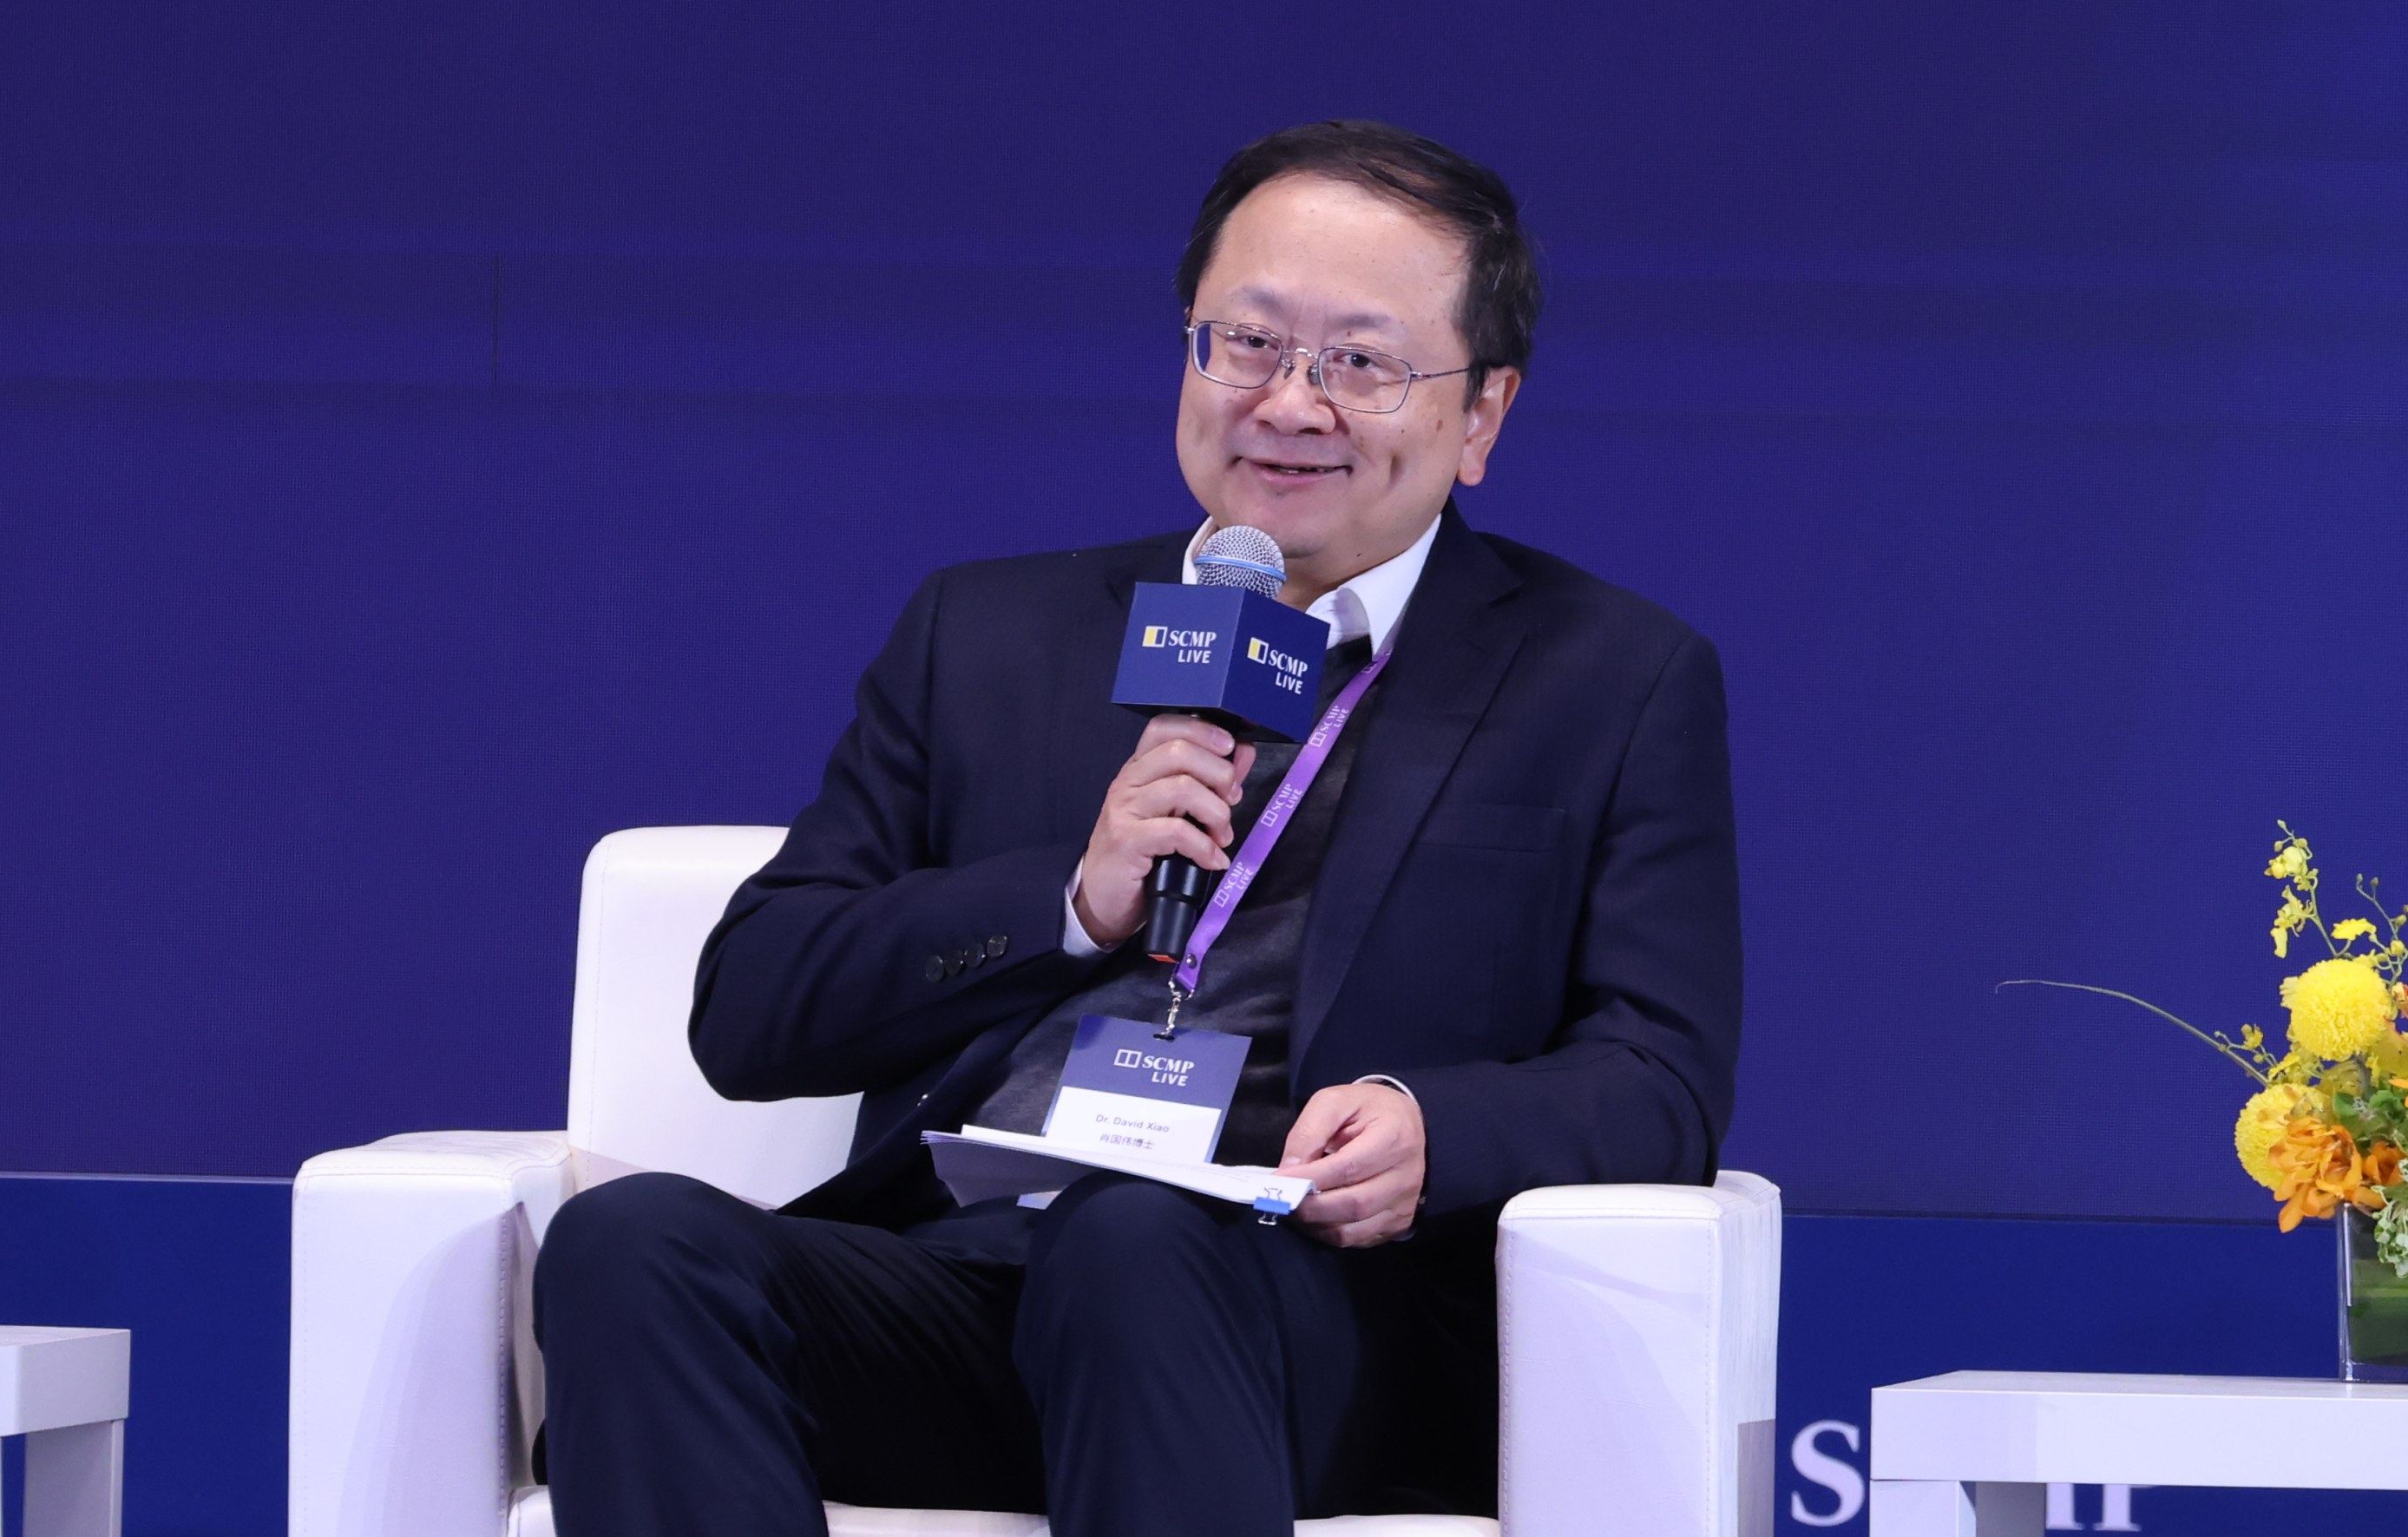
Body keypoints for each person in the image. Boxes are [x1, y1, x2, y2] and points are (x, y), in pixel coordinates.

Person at [534, 120, 1742, 1537]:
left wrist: (1436, 1125)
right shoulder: (983, 632)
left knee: (1137, 1239)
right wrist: (1067, 901)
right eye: (1246, 342)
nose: (1289, 402)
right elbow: (751, 1007)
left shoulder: (1608, 675)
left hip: (1298, 1318)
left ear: (1480, 415)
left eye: (1359, 361)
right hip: (969, 1281)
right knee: (633, 1247)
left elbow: (1662, 1071)